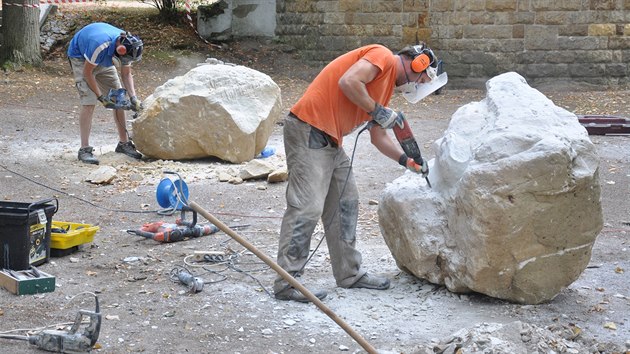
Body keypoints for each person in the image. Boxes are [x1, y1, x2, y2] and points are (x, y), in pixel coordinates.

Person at [274, 43, 441, 302]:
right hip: (309, 127)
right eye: (422, 77)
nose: (419, 84)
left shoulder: (384, 92)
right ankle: (287, 281)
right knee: (306, 207)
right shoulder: (382, 56)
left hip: (330, 140)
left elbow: (379, 136)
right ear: (417, 64)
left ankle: (349, 274)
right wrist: (378, 110)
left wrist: (406, 160)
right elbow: (349, 81)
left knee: (346, 202)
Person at [67, 22, 144, 165]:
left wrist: (133, 98)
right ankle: (84, 149)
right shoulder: (100, 45)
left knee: (119, 99)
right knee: (89, 103)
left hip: (102, 59)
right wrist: (101, 97)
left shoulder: (128, 45)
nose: (125, 61)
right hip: (81, 58)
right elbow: (87, 73)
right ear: (120, 49)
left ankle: (123, 143)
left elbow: (126, 74)